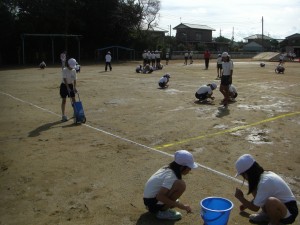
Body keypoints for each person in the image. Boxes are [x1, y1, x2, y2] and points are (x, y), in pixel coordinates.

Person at [234, 154, 298, 225]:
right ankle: (267, 216)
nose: (244, 177)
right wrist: (245, 205)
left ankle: (275, 222)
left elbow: (255, 208)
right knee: (254, 190)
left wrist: (240, 197)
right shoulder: (262, 177)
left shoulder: (265, 182)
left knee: (271, 201)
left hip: (289, 212)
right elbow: (260, 197)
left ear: (246, 173)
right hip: (282, 206)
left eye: (242, 175)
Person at [143, 150, 198, 220]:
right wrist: (182, 206)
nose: (190, 169)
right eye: (189, 167)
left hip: (149, 201)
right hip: (152, 204)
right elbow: (159, 196)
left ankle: (162, 205)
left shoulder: (168, 167)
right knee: (181, 185)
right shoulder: (171, 176)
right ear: (182, 167)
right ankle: (162, 212)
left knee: (177, 184)